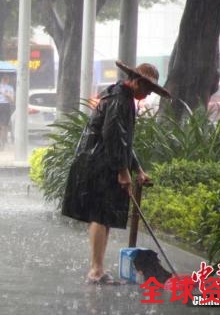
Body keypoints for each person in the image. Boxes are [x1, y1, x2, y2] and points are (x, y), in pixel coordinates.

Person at [61, 60, 171, 285]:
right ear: (137, 82)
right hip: (99, 164)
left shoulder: (122, 97)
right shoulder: (120, 100)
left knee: (105, 216)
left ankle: (98, 267)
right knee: (101, 215)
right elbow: (113, 137)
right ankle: (96, 270)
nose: (148, 95)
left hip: (102, 161)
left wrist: (137, 168)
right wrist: (123, 171)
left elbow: (124, 141)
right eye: (148, 89)